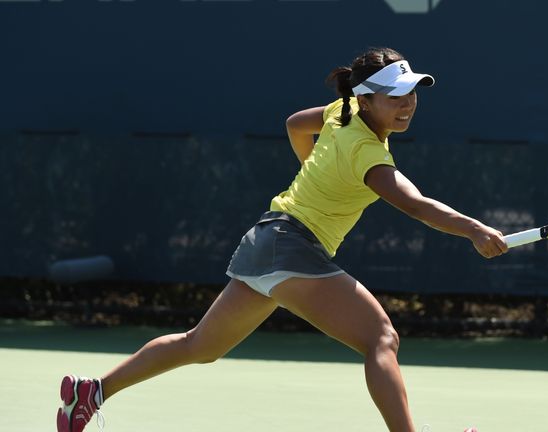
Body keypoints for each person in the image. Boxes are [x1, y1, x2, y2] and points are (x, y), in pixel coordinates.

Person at [56, 47, 507, 432]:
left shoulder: (341, 113)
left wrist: (312, 167)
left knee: (200, 346)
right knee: (381, 339)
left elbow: (294, 124)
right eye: (395, 96)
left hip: (266, 240)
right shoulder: (365, 152)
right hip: (293, 247)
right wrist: (474, 228)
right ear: (367, 100)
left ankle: (92, 392)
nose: (407, 104)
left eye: (411, 93)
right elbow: (416, 204)